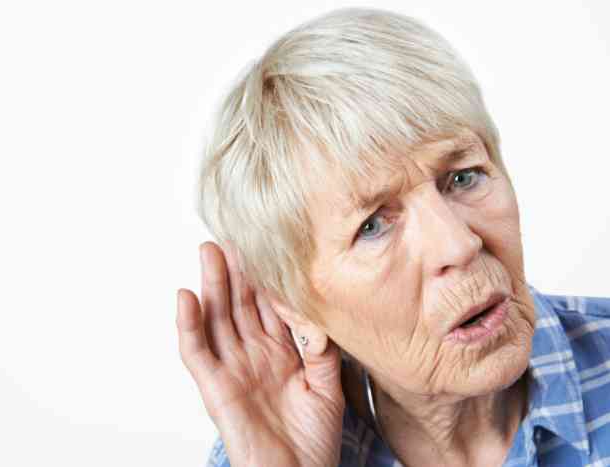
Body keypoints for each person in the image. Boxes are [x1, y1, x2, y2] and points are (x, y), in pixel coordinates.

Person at [176, 7, 610, 467]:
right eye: (372, 226)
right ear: (293, 307)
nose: (459, 245)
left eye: (463, 178)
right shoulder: (262, 454)